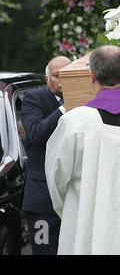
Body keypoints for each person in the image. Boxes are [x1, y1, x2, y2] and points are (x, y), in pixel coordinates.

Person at [44, 45, 120, 254]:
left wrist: (76, 210)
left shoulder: (74, 122)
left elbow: (56, 179)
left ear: (91, 75)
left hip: (85, 228)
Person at [21, 56, 71, 255]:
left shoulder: (85, 100)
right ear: (46, 78)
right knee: (44, 251)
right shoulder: (33, 99)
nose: (62, 81)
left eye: (67, 76)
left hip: (72, 198)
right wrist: (64, 109)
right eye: (58, 76)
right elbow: (35, 134)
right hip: (42, 200)